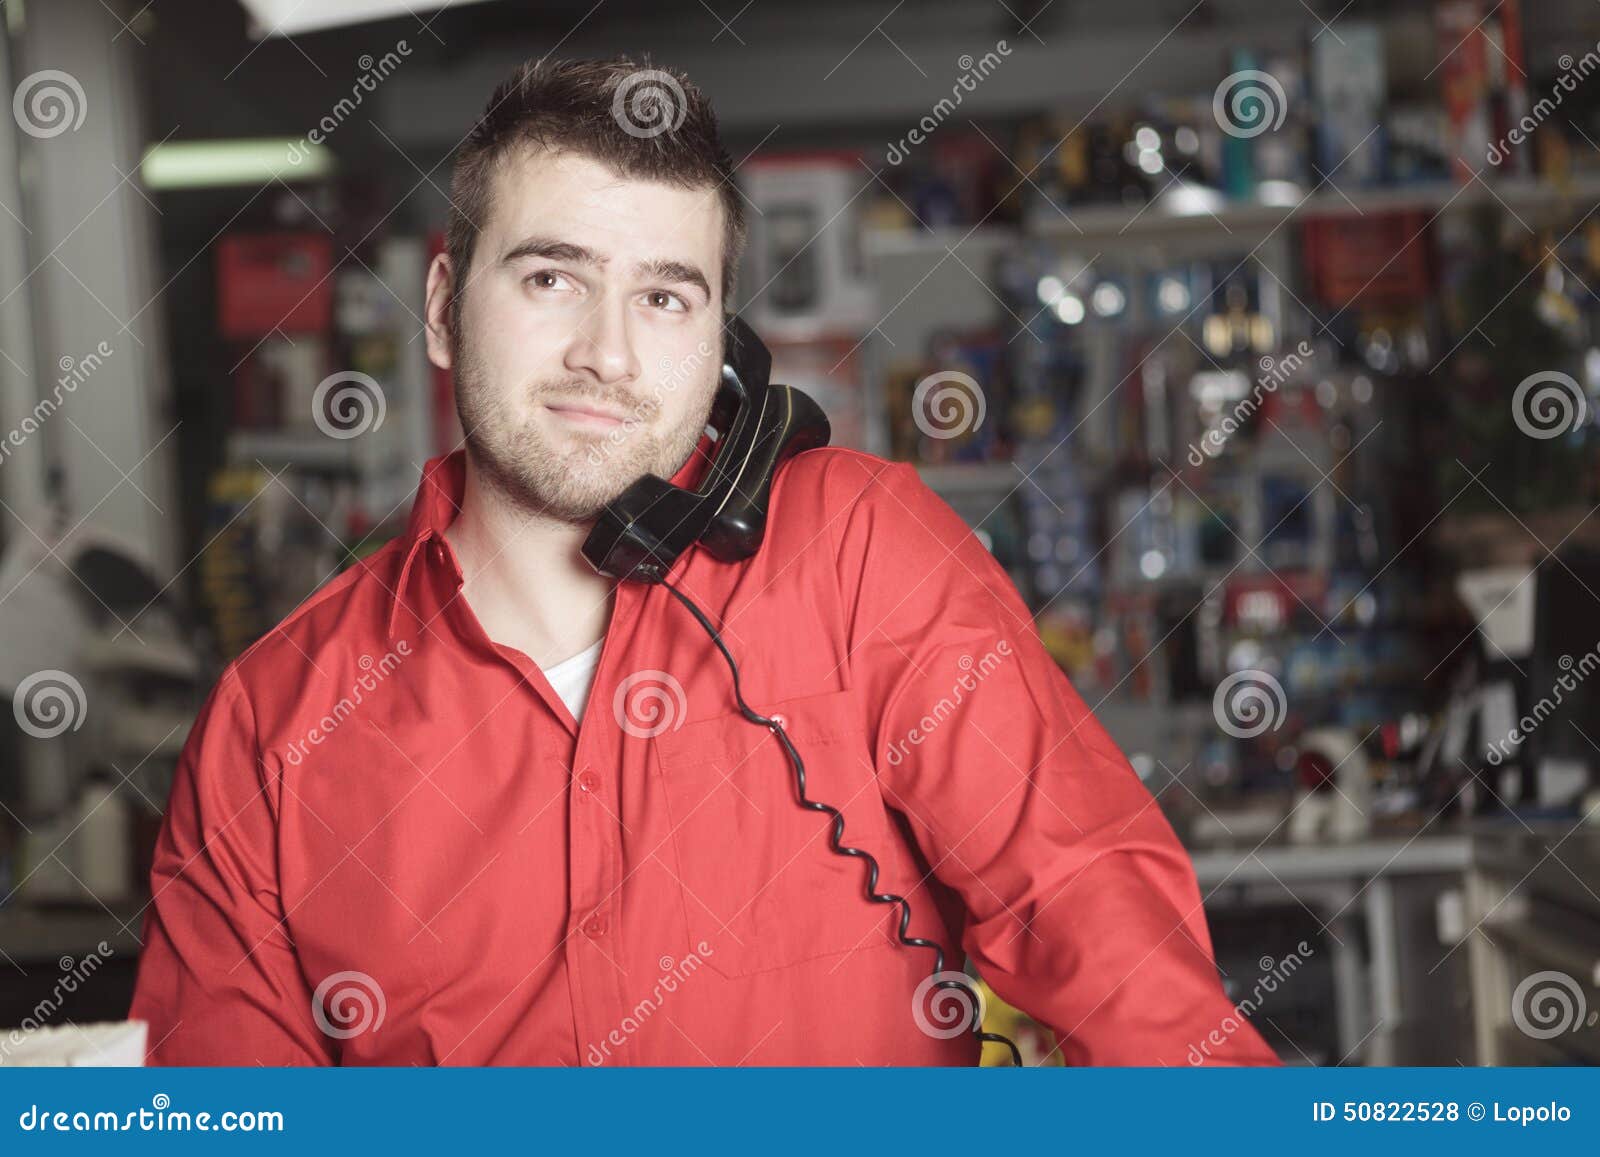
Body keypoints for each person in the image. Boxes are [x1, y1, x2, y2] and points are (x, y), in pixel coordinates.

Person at [128, 55, 1279, 1067]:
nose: (608, 353)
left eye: (665, 295)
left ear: (723, 347)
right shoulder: (272, 726)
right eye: (550, 277)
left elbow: (1091, 911)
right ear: (442, 306)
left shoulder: (858, 550)